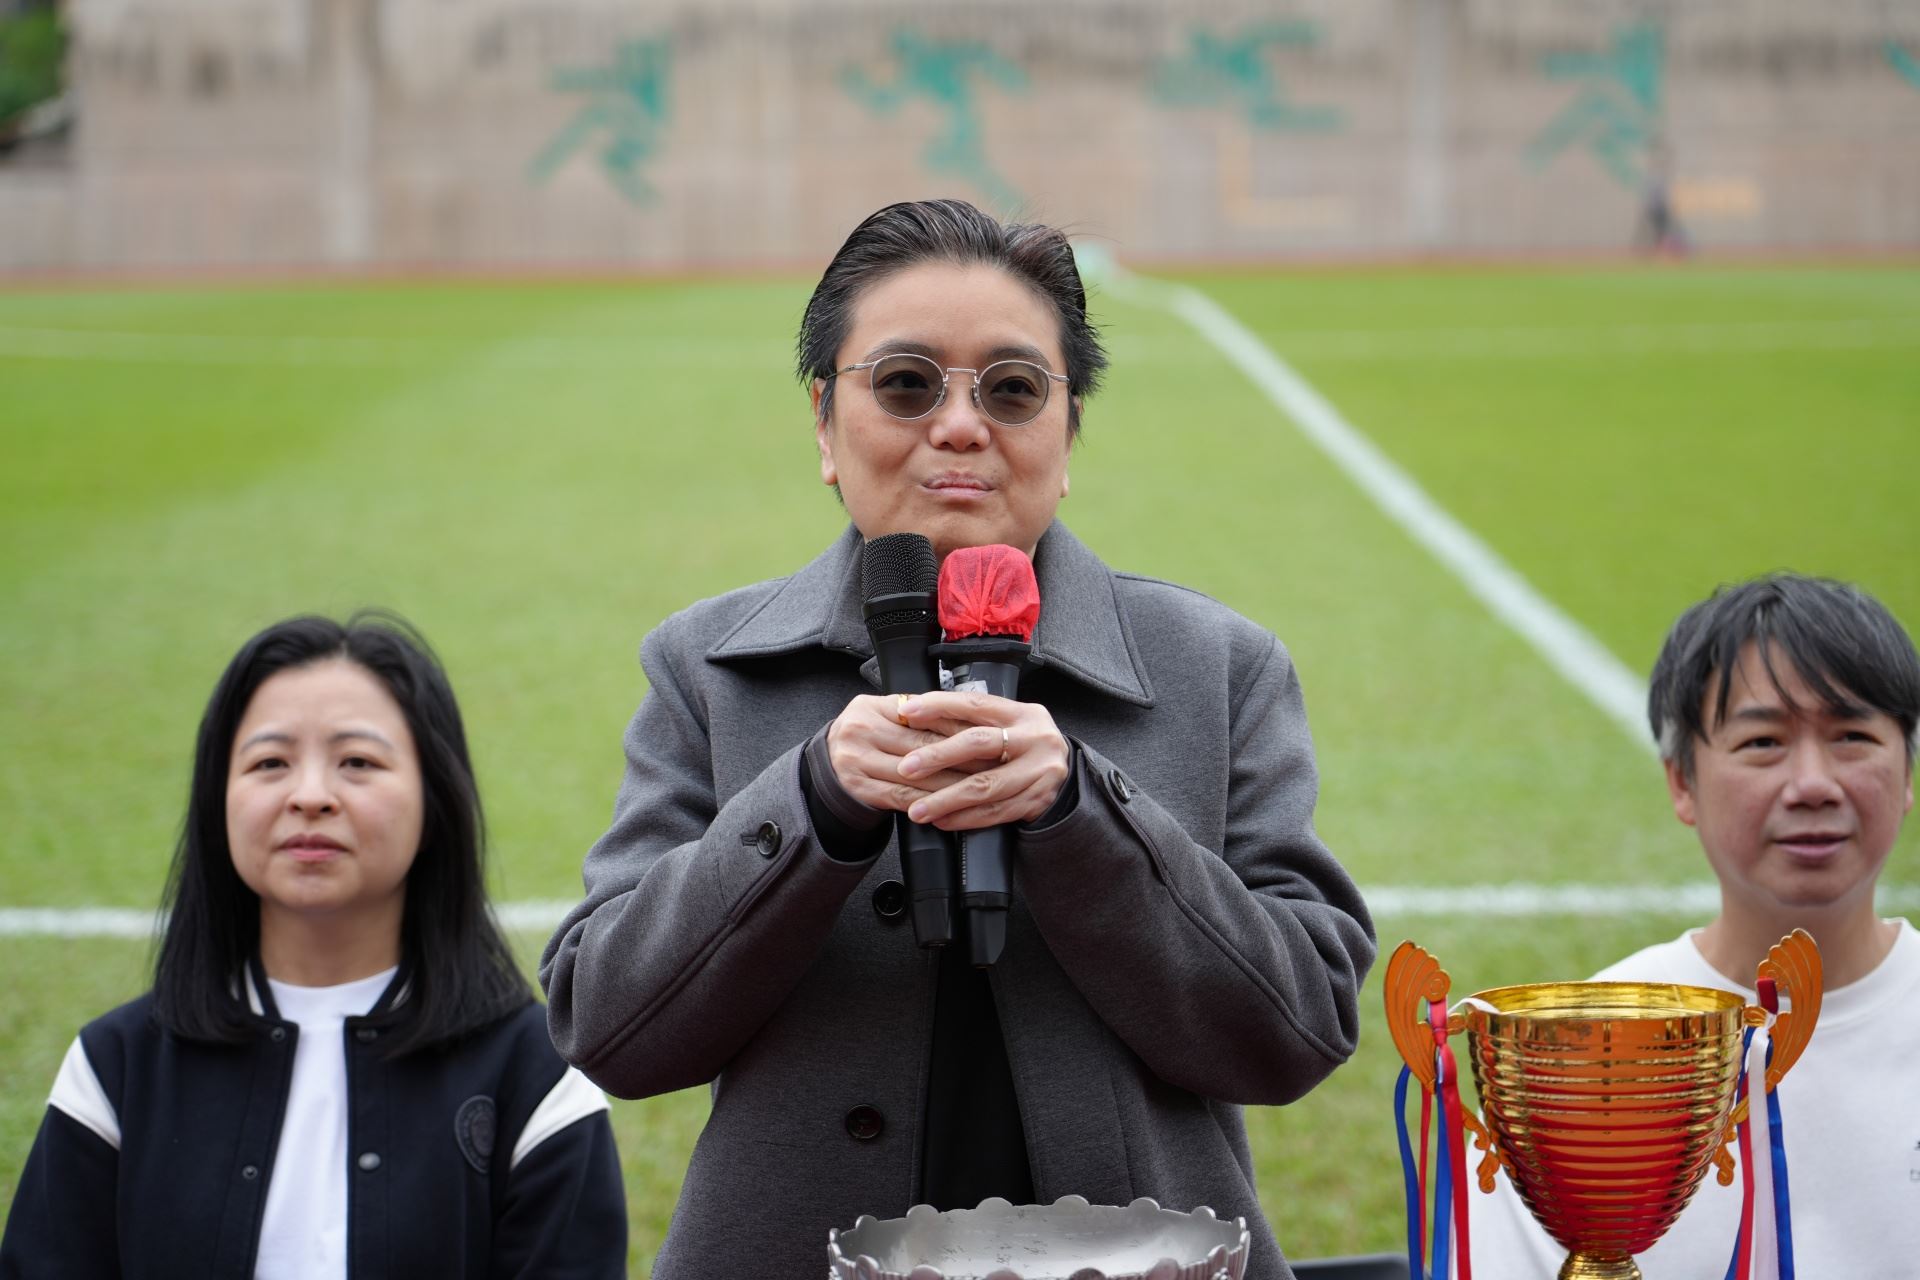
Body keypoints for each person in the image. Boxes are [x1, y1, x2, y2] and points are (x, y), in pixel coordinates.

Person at [541, 198, 1376, 1280]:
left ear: (1067, 435)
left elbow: (1298, 1031)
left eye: (1014, 389)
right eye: (905, 383)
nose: (961, 426)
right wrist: (810, 802)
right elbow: (608, 1025)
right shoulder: (707, 668)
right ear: (824, 422)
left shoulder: (1216, 666)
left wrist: (1083, 812)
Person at [0, 613, 628, 1279]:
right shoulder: (115, 1068)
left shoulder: (539, 1078)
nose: (309, 796)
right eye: (270, 763)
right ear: (219, 799)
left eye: (358, 762)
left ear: (434, 800)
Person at [1469, 573, 1920, 1279]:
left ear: (1909, 771)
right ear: (1683, 781)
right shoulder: (1580, 1053)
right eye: (1763, 741)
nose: (1812, 784)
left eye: (1853, 737)